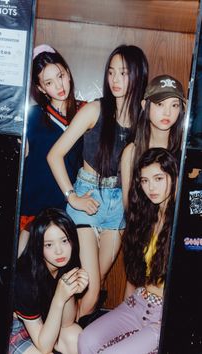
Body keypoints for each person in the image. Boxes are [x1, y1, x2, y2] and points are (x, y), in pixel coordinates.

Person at [47, 44, 148, 319]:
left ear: (137, 75)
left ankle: (65, 335)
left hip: (118, 207)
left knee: (97, 281)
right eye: (111, 72)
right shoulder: (94, 109)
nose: (115, 80)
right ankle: (59, 339)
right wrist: (73, 197)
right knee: (90, 289)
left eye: (123, 73)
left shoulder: (143, 120)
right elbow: (54, 154)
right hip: (87, 198)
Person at [78, 147, 178, 354]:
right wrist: (125, 307)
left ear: (174, 177)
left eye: (159, 178)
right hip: (139, 302)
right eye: (144, 180)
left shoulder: (187, 220)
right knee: (86, 340)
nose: (151, 187)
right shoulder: (144, 218)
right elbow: (134, 275)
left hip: (166, 315)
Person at [19, 44, 85, 256]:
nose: (59, 85)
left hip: (67, 205)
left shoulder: (86, 112)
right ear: (40, 88)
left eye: (60, 75)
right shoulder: (33, 116)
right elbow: (24, 157)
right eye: (49, 82)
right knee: (21, 264)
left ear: (67, 72)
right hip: (33, 204)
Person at [9, 208, 89, 354]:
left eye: (64, 241)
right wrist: (59, 297)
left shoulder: (64, 264)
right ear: (38, 246)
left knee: (75, 336)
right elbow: (44, 347)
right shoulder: (25, 279)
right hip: (11, 330)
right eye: (49, 245)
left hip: (42, 323)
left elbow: (66, 324)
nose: (59, 251)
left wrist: (69, 292)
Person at [121, 74, 185, 210]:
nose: (167, 112)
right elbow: (128, 207)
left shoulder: (185, 153)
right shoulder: (132, 152)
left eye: (174, 105)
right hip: (141, 227)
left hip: (175, 228)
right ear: (145, 105)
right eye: (160, 104)